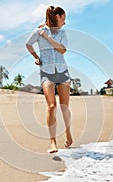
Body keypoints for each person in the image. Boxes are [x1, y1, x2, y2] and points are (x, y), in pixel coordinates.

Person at [26, 6, 73, 153]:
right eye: (63, 19)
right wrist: (36, 57)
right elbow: (28, 44)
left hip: (62, 72)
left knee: (64, 107)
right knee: (52, 106)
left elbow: (62, 50)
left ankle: (68, 132)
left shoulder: (62, 33)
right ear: (57, 17)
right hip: (46, 72)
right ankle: (52, 142)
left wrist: (47, 37)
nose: (64, 22)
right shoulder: (38, 32)